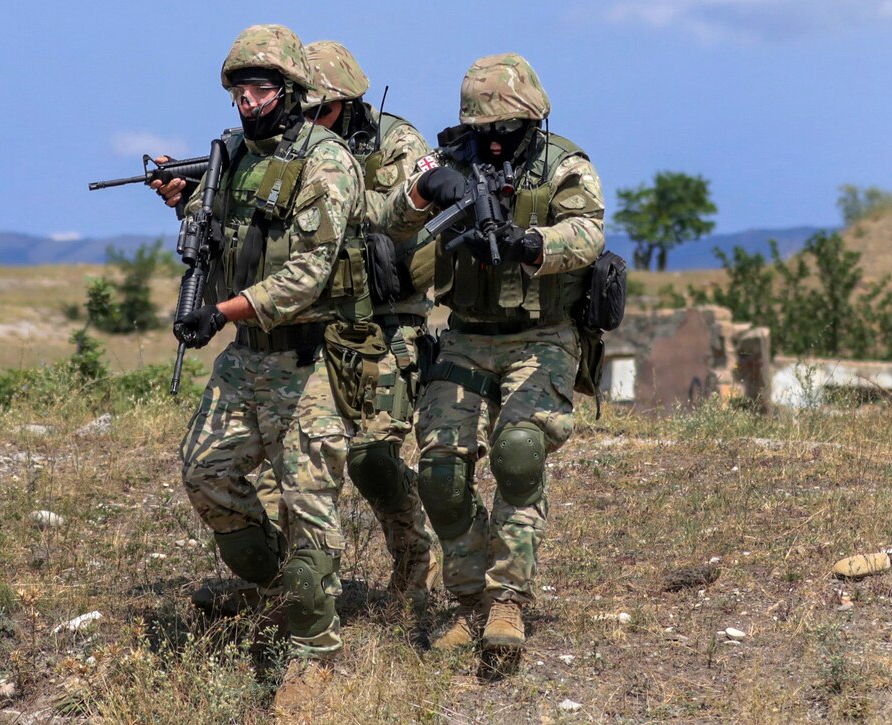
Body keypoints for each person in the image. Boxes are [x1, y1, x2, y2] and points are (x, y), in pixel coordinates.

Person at [152, 24, 366, 705]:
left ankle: (314, 650)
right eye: (238, 90)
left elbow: (307, 273)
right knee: (206, 473)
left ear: (292, 90)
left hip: (310, 360)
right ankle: (281, 590)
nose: (247, 102)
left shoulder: (326, 161)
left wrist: (225, 311)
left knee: (310, 507)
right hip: (249, 358)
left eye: (260, 89)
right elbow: (233, 241)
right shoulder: (236, 158)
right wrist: (185, 205)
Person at [378, 53, 606, 655]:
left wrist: (531, 242)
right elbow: (384, 217)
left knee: (519, 451)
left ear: (532, 121)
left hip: (543, 334)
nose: (495, 144)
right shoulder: (450, 159)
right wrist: (426, 188)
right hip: (465, 334)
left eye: (506, 132)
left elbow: (587, 233)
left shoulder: (566, 164)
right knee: (441, 472)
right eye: (483, 133)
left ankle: (508, 601)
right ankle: (467, 598)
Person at [250, 39, 440, 608]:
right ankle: (291, 586)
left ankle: (414, 557)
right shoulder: (285, 146)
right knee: (286, 461)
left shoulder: (398, 143)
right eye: (304, 112)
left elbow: (414, 214)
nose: (313, 123)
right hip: (316, 318)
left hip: (387, 318)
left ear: (352, 103)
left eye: (324, 112)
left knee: (373, 456)